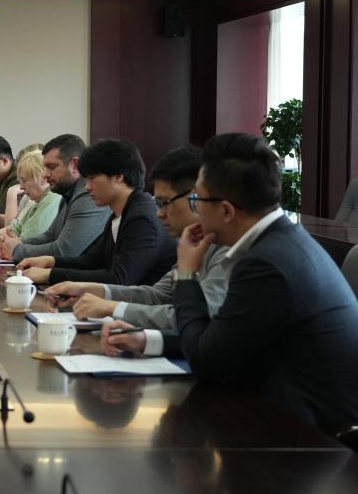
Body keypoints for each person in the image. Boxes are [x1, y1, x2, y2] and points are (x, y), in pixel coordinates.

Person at [102, 133, 358, 435]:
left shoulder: (265, 263)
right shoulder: (279, 240)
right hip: (282, 411)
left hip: (309, 438)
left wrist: (186, 274)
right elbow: (223, 338)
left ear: (226, 210)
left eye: (197, 199)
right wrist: (147, 339)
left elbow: (207, 360)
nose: (194, 209)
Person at [45, 146, 229, 329]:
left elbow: (196, 319)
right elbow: (157, 295)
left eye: (164, 202)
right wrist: (85, 289)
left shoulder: (226, 249)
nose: (159, 213)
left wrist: (111, 307)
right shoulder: (194, 241)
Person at [16, 139, 175, 286]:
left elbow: (119, 279)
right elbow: (90, 261)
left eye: (92, 178)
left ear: (119, 176)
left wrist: (50, 274)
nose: (87, 187)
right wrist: (49, 261)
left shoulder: (142, 218)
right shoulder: (119, 214)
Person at [0, 133, 110, 262]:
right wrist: (18, 243)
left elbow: (64, 251)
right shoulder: (68, 192)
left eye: (51, 167)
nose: (45, 174)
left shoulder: (87, 195)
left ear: (75, 165)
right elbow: (50, 236)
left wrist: (17, 250)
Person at [0, 150, 60, 242]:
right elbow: (15, 227)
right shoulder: (36, 201)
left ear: (43, 178)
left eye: (24, 180)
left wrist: (9, 244)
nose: (21, 186)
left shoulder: (51, 200)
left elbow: (27, 239)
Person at [0, 142, 43, 231]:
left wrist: (11, 194)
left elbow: (11, 229)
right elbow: (16, 225)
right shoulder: (1, 178)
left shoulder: (16, 181)